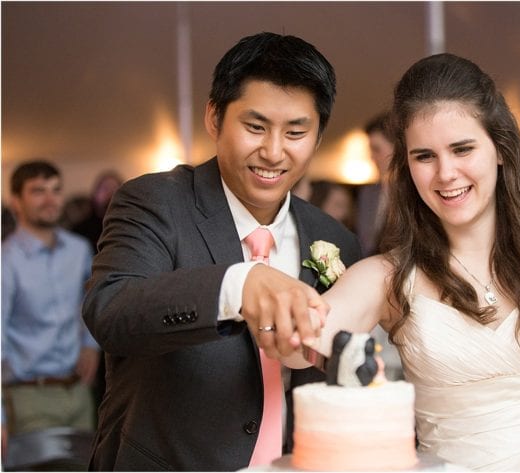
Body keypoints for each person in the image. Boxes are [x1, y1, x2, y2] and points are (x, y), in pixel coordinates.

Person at [302, 53, 520, 471]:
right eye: (425, 156)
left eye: (462, 149)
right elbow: (304, 344)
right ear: (406, 166)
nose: (446, 173)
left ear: (499, 148)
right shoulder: (385, 277)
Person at [80, 32, 360, 470]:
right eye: (255, 127)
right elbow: (111, 311)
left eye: (295, 132)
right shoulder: (155, 202)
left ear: (318, 135)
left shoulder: (334, 237)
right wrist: (238, 284)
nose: (272, 151)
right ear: (214, 118)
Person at [2, 161, 98, 462]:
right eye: (38, 191)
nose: (50, 199)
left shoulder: (79, 249)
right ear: (16, 201)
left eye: (56, 190)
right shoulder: (6, 261)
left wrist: (90, 345)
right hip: (28, 397)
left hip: (78, 393)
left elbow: (90, 303)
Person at [356, 112, 395, 255]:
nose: (372, 157)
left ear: (397, 149)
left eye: (377, 149)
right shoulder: (367, 193)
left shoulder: (414, 191)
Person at [71, 170, 123, 252]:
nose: (110, 193)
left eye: (115, 189)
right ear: (95, 194)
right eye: (105, 189)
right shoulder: (79, 231)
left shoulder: (129, 228)